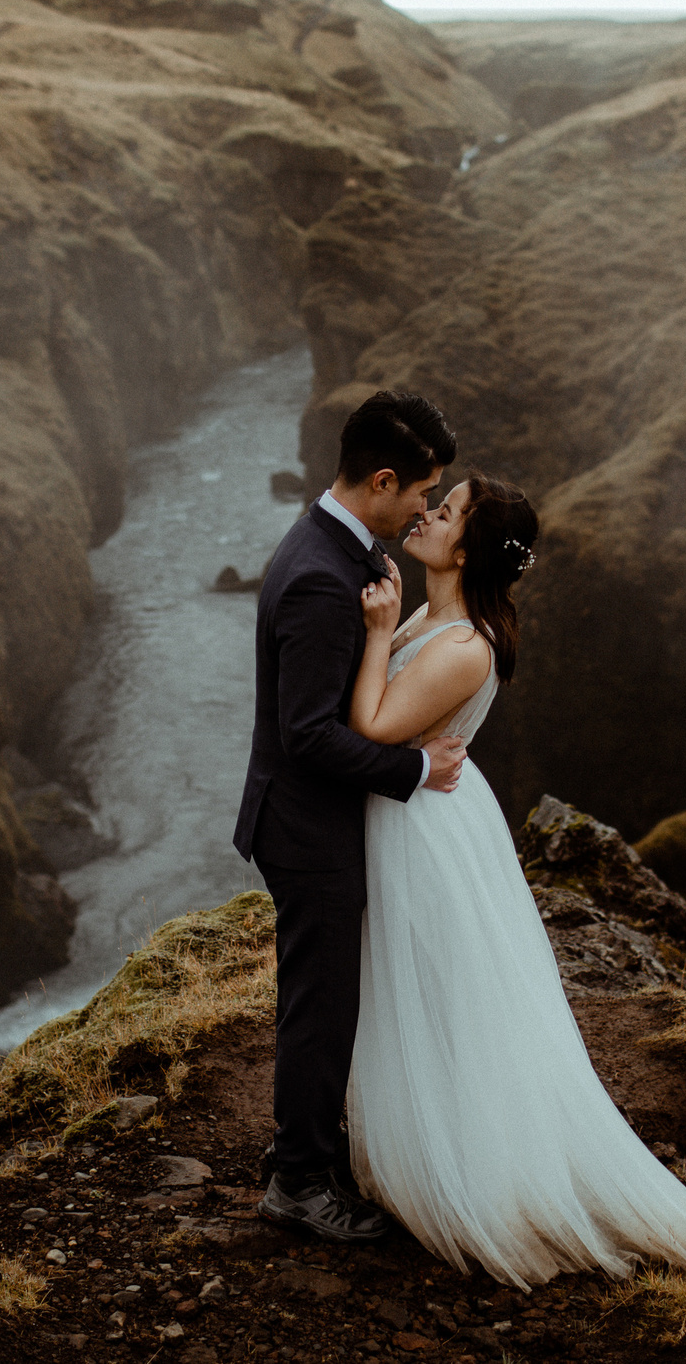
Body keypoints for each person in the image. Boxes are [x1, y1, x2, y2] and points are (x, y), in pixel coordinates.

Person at [342, 472, 686, 1285]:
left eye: (445, 512)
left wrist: (378, 632)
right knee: (415, 987)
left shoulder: (464, 645)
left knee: (436, 989)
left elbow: (374, 726)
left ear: (468, 550)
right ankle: (423, 1133)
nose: (426, 513)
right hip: (421, 809)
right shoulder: (441, 616)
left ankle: (470, 1164)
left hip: (424, 829)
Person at [232, 389, 468, 1243]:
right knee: (320, 1005)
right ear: (380, 478)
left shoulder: (338, 548)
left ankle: (307, 1153)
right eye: (421, 490)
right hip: (306, 829)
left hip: (311, 822)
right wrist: (413, 766)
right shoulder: (321, 581)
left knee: (324, 996)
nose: (426, 508)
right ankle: (297, 1181)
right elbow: (307, 738)